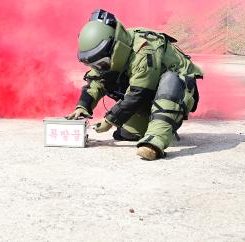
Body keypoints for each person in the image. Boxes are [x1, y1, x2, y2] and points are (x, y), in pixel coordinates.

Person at [66, 9, 204, 160]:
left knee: (171, 79)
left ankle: (155, 141)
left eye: (101, 62)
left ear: (114, 48)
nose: (99, 67)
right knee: (128, 133)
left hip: (178, 90)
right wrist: (83, 106)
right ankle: (154, 127)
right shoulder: (114, 51)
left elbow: (138, 93)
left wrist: (110, 120)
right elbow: (97, 80)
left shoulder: (144, 51)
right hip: (149, 92)